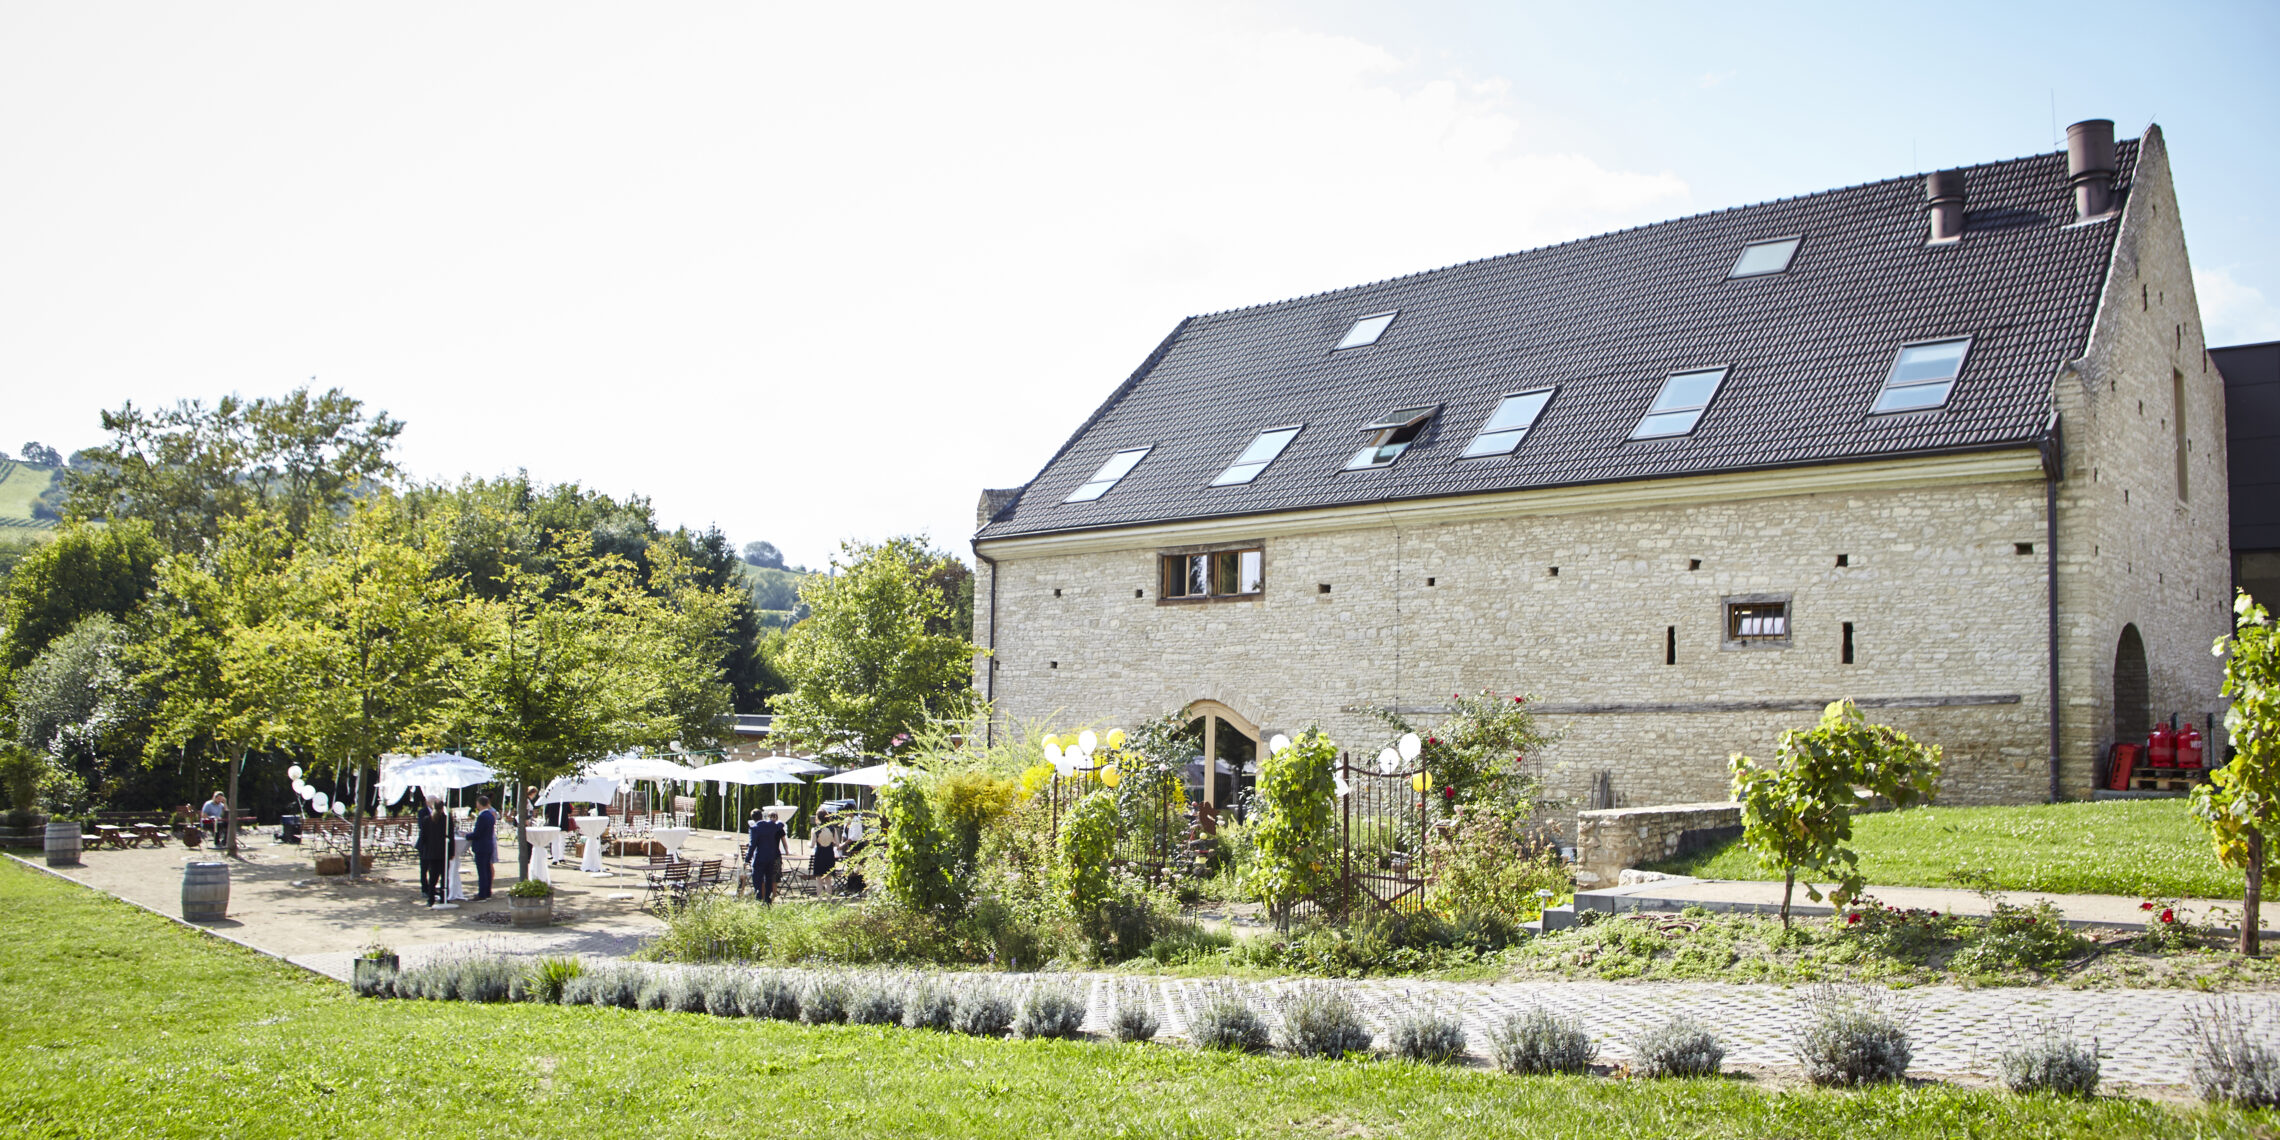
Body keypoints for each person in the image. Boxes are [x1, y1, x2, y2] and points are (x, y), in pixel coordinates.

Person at [746, 807, 787, 904]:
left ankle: (759, 898)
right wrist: (778, 821)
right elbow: (781, 824)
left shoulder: (754, 828)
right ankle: (767, 900)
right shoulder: (771, 825)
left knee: (757, 879)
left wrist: (747, 859)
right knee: (768, 879)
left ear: (753, 819)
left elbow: (752, 845)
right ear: (762, 816)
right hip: (771, 857)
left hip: (760, 857)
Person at [414, 796, 448, 905]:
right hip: (426, 846)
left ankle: (434, 892)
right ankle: (425, 889)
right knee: (424, 868)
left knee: (435, 871)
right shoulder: (423, 813)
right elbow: (422, 828)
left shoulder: (444, 818)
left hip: (435, 847)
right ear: (428, 802)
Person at [466, 795, 498, 900]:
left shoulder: (482, 816)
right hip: (488, 845)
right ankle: (487, 891)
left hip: (481, 846)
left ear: (479, 804)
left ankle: (482, 893)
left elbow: (478, 833)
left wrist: (467, 835)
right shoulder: (490, 815)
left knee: (482, 871)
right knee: (487, 870)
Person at [810, 810, 842, 879]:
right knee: (828, 881)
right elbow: (838, 844)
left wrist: (808, 844)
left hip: (819, 855)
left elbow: (812, 845)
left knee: (819, 881)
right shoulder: (832, 829)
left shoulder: (815, 829)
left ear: (818, 817)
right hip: (829, 854)